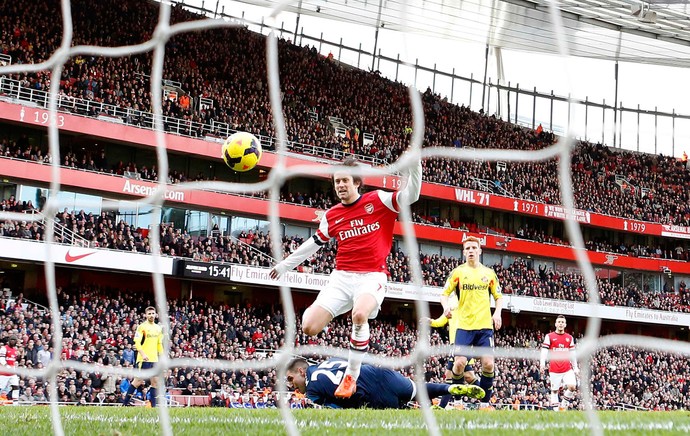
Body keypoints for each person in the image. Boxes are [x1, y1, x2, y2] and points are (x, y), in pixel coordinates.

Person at [270, 155, 422, 398]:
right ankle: (348, 310)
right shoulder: (332, 215)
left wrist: (415, 167)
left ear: (356, 183)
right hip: (341, 278)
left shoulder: (378, 200)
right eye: (336, 181)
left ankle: (351, 375)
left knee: (360, 315)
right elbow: (313, 243)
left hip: (372, 276)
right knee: (309, 327)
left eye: (344, 180)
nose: (340, 185)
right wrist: (285, 265)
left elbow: (411, 195)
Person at [440, 236, 503, 404]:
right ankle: (459, 402)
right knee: (459, 364)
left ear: (480, 251)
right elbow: (444, 293)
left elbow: (499, 296)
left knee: (489, 365)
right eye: (467, 249)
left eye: (474, 248)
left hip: (484, 327)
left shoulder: (489, 274)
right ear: (464, 252)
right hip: (464, 327)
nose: (471, 251)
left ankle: (484, 405)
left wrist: (497, 314)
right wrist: (445, 307)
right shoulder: (458, 272)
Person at [285, 357, 484, 409]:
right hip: (379, 372)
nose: (291, 385)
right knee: (416, 389)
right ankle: (448, 388)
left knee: (399, 408)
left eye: (291, 378)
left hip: (369, 394)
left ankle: (411, 409)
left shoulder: (312, 389)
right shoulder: (327, 362)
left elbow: (336, 407)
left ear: (302, 371)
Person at [420, 293, 479, 409]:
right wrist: (431, 321)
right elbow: (442, 320)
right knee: (456, 376)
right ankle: (444, 406)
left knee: (467, 376)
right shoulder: (451, 302)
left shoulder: (468, 299)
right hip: (454, 345)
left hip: (464, 343)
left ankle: (484, 400)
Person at [123, 306, 164, 406]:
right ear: (145, 315)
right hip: (143, 359)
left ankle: (153, 406)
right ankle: (124, 404)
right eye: (149, 314)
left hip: (154, 359)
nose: (151, 315)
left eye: (152, 313)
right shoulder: (142, 327)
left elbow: (159, 344)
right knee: (138, 381)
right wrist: (143, 354)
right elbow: (137, 342)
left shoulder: (158, 328)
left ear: (155, 315)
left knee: (155, 382)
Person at [540, 315, 579, 410]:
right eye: (559, 322)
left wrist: (575, 367)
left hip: (567, 368)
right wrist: (542, 364)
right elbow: (544, 351)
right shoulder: (549, 336)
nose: (561, 324)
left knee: (572, 386)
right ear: (556, 324)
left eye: (562, 322)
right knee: (554, 391)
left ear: (565, 325)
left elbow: (572, 354)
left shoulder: (569, 338)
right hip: (554, 369)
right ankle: (557, 412)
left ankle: (564, 403)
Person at [0, 335, 19, 402]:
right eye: (11, 340)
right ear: (9, 341)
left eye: (14, 340)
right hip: (4, 373)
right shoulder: (4, 348)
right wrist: (8, 367)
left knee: (16, 387)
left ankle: (15, 404)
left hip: (12, 373)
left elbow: (13, 361)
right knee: (1, 388)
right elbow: (1, 360)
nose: (13, 341)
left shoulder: (15, 350)